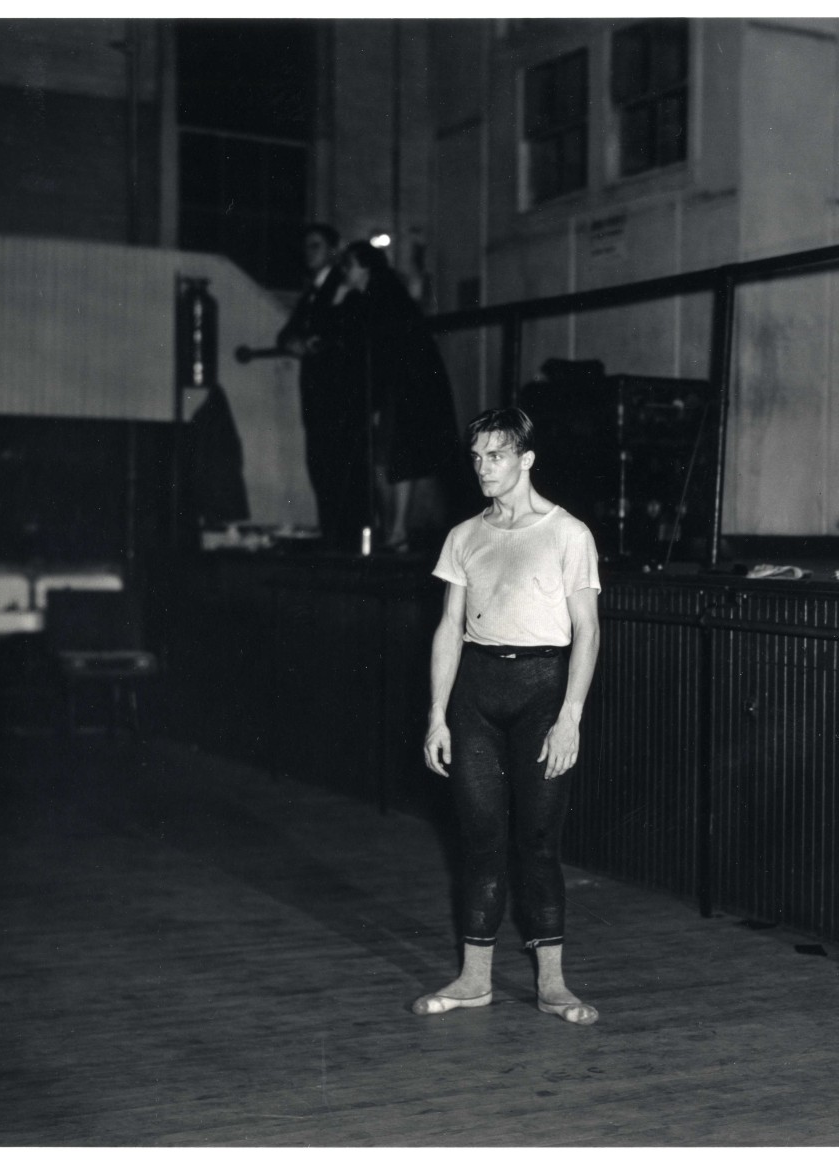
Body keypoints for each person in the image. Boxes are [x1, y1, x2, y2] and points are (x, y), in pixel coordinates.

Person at [417, 407, 602, 1025]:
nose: (482, 468)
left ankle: (553, 984)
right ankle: (475, 980)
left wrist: (570, 716)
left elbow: (587, 630)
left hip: (543, 692)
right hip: (477, 692)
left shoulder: (568, 533)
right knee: (479, 840)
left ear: (526, 460)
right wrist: (437, 716)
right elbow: (448, 628)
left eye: (494, 456)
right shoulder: (465, 535)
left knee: (539, 841)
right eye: (475, 457)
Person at [335, 241, 459, 552]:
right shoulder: (379, 294)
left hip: (404, 388)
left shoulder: (383, 297)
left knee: (398, 457)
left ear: (363, 266)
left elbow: (385, 352)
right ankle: (394, 529)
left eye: (348, 265)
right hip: (402, 388)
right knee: (389, 459)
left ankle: (398, 531)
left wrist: (376, 400)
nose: (344, 272)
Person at [276, 223, 362, 551]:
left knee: (338, 463)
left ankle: (344, 538)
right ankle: (332, 534)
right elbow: (287, 333)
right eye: (306, 246)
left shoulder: (341, 287)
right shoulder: (312, 292)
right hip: (315, 392)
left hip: (337, 392)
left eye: (316, 246)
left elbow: (343, 330)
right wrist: (294, 340)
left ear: (332, 250)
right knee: (320, 462)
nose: (308, 253)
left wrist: (315, 342)